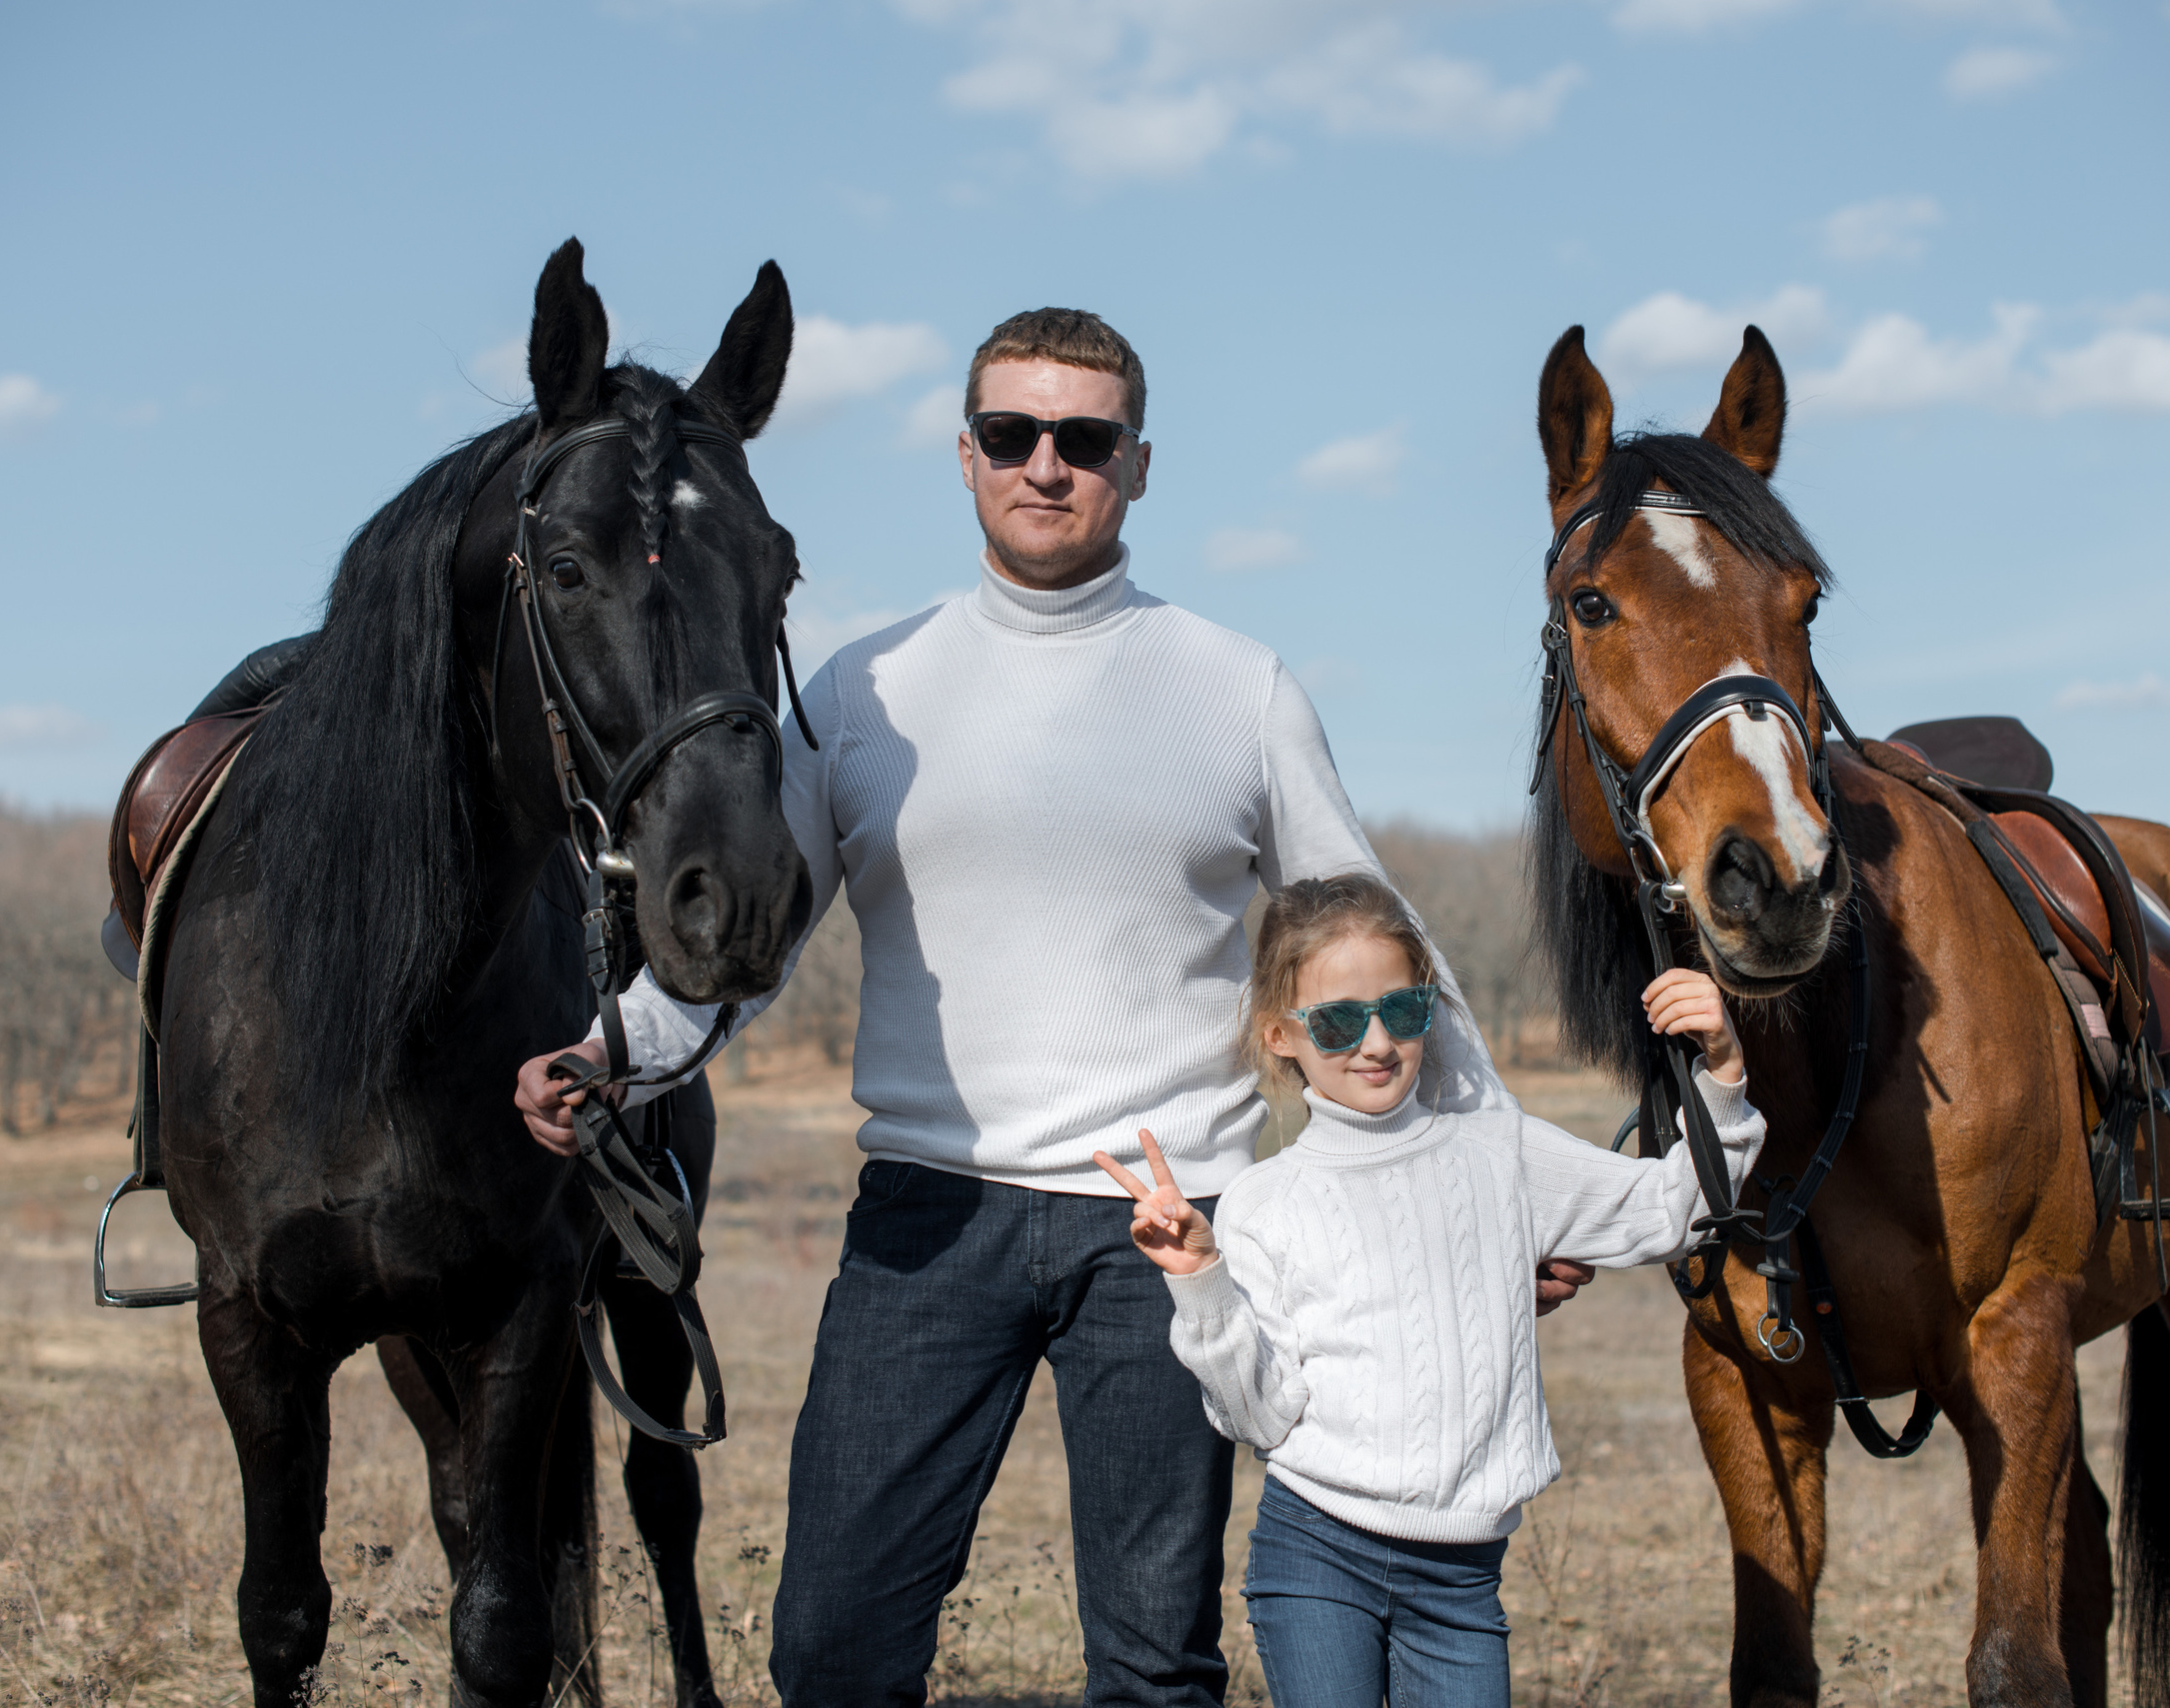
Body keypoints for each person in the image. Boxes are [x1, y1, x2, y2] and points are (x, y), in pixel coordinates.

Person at [512, 307, 1591, 1706]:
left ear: (1138, 464)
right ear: (964, 455)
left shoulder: (1238, 688)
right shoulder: (861, 692)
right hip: (927, 1215)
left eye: (1084, 439)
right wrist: (620, 1052)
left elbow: (1387, 958)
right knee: (830, 1649)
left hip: (1170, 1223)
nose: (1047, 465)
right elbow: (750, 940)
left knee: (1151, 1667)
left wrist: (1506, 1194)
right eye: (1013, 434)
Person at [1089, 872, 1762, 1708]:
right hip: (1317, 1554)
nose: (1375, 1041)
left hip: (1461, 1582)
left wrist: (1724, 1073)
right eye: (1337, 1020)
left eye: (1402, 1010)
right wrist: (1201, 1282)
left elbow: (1672, 1211)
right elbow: (1258, 1415)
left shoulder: (1503, 1154)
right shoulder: (1263, 1203)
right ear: (1281, 1035)